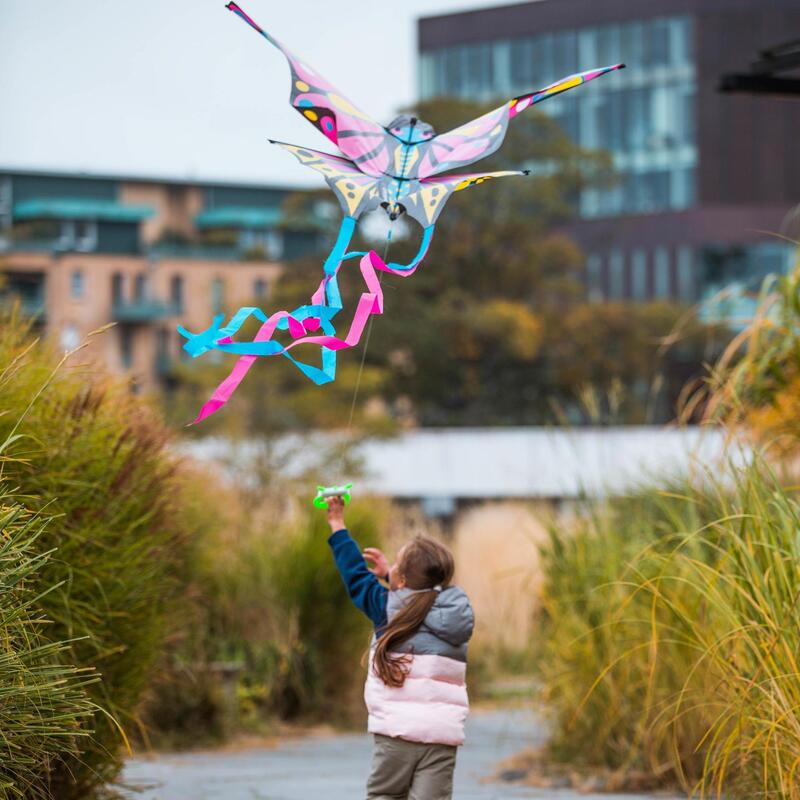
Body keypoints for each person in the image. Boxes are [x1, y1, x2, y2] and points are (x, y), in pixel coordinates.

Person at [324, 495, 474, 800]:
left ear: (402, 580)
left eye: (395, 565)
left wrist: (337, 524)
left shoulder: (386, 609)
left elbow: (354, 574)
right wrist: (393, 577)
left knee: (386, 796)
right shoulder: (457, 616)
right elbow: (423, 596)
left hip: (396, 734)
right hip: (440, 736)